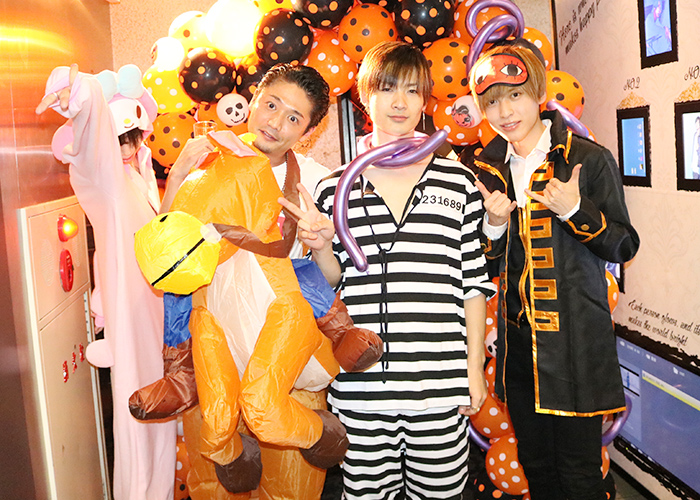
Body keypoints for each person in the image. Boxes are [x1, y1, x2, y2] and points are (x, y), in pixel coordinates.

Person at [280, 41, 496, 499]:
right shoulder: (335, 186)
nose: (400, 102)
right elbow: (332, 282)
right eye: (387, 88)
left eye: (413, 90)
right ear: (365, 96)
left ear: (426, 101)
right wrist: (320, 247)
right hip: (361, 386)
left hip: (439, 383)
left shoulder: (457, 181)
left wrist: (474, 369)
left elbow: (473, 284)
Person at [130, 64, 382, 423]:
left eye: (293, 118)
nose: (275, 123)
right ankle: (181, 376)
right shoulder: (209, 159)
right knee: (180, 284)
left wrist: (322, 245)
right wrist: (178, 176)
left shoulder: (315, 181)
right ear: (253, 100)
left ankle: (341, 339)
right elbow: (166, 249)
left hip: (277, 336)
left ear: (308, 132)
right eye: (271, 105)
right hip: (214, 331)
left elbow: (327, 278)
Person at [468, 40, 640, 500]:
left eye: (515, 95)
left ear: (539, 93)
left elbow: (624, 244)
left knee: (580, 474)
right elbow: (483, 266)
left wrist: (576, 211)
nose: (505, 111)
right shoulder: (485, 169)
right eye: (492, 102)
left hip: (575, 344)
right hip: (518, 347)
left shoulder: (588, 158)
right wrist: (494, 226)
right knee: (537, 467)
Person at [35, 64, 206, 500]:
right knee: (139, 419)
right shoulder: (104, 178)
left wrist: (177, 174)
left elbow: (157, 231)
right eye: (118, 139)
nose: (128, 147)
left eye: (133, 137)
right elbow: (92, 140)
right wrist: (81, 94)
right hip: (130, 311)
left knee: (158, 412)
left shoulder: (135, 178)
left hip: (155, 307)